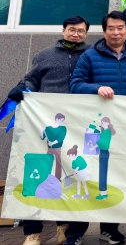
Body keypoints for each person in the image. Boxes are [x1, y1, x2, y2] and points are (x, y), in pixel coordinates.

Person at [6, 15, 89, 245]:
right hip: (43, 123)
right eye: (72, 30)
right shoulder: (44, 55)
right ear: (63, 30)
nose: (76, 34)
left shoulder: (90, 55)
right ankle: (32, 232)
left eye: (81, 31)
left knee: (69, 176)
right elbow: (31, 80)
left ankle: (65, 227)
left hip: (77, 126)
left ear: (85, 33)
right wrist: (23, 88)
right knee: (36, 174)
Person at [68, 11, 126, 245]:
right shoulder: (90, 56)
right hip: (94, 128)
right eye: (111, 28)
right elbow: (75, 85)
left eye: (120, 28)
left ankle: (109, 229)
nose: (116, 32)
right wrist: (96, 88)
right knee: (88, 175)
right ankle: (75, 233)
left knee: (114, 178)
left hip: (122, 129)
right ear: (104, 31)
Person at [41, 113, 67, 180]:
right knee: (48, 162)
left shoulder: (63, 128)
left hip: (58, 148)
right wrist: (42, 130)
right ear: (57, 119)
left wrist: (52, 143)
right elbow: (42, 137)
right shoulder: (47, 129)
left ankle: (58, 179)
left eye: (62, 120)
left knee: (58, 163)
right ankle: (46, 177)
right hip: (50, 149)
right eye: (61, 120)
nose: (61, 122)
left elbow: (61, 138)